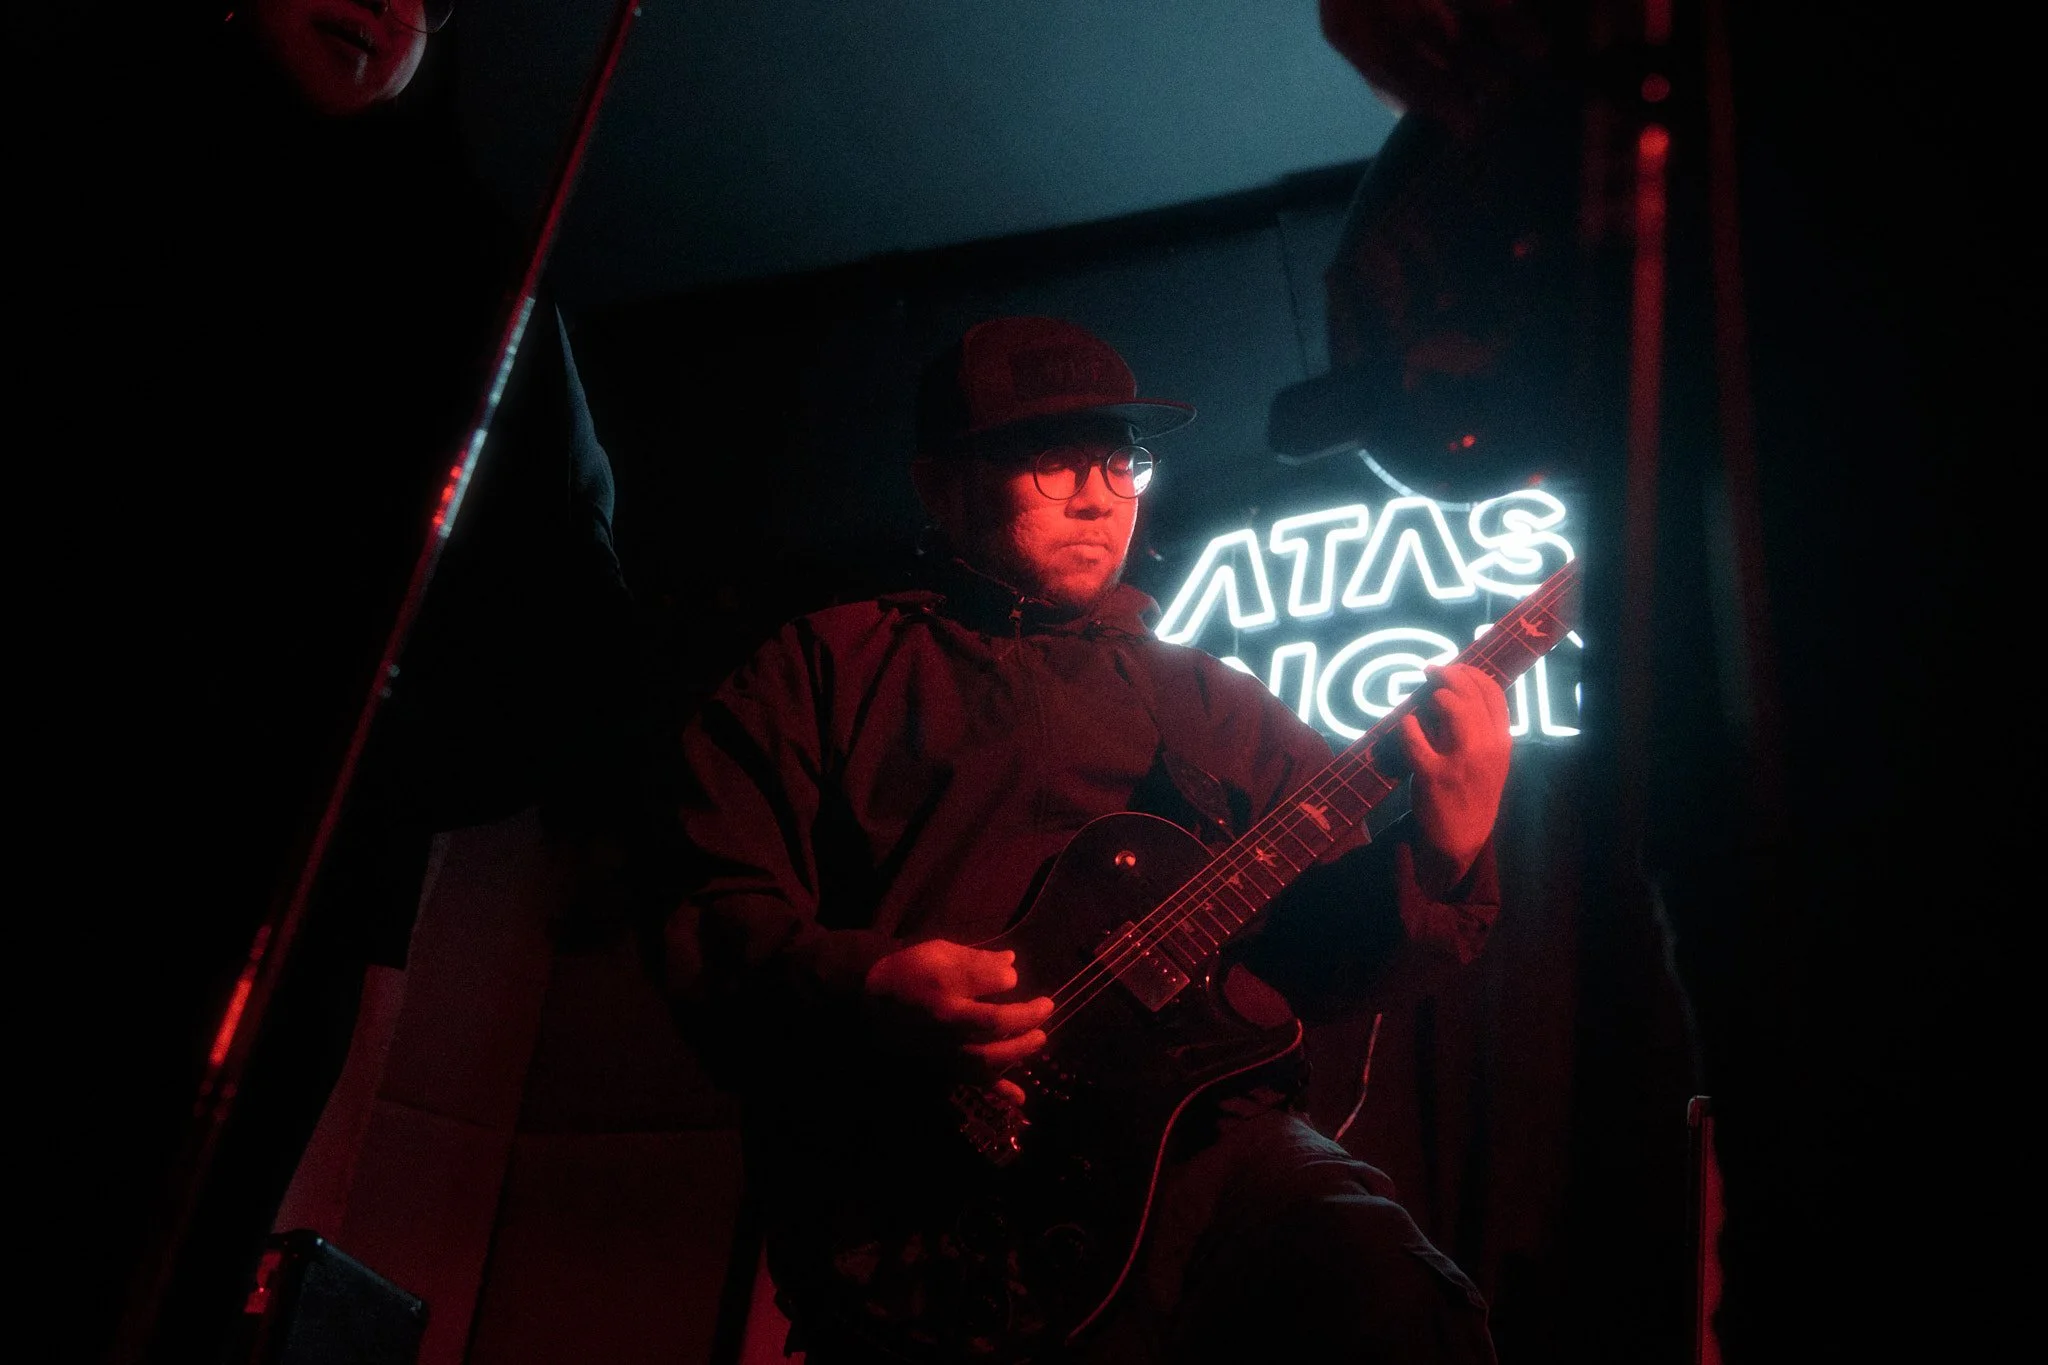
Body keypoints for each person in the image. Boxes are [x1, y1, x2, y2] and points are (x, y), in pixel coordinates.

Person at [662, 316, 1512, 1362]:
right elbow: (709, 915)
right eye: (1048, 458)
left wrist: (1442, 851)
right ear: (941, 488)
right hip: (924, 1190)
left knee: (1400, 1300)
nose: (1096, 492)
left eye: (1118, 458)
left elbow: (1319, 950)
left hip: (1206, 1147)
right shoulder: (820, 668)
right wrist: (870, 984)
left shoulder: (1210, 701)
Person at [24, 3, 637, 1359]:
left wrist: (368, 761)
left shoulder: (482, 283)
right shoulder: (67, 144)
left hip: (261, 904)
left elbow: (568, 637)